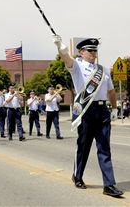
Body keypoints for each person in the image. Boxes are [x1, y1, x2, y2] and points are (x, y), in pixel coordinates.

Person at [53, 35, 124, 197]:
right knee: (84, 146)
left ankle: (109, 185)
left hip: (102, 111)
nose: (93, 53)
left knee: (104, 148)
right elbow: (66, 58)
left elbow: (111, 91)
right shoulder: (76, 65)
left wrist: (114, 108)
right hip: (85, 111)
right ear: (81, 52)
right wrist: (61, 47)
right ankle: (77, 175)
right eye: (90, 50)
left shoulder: (103, 70)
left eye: (95, 50)